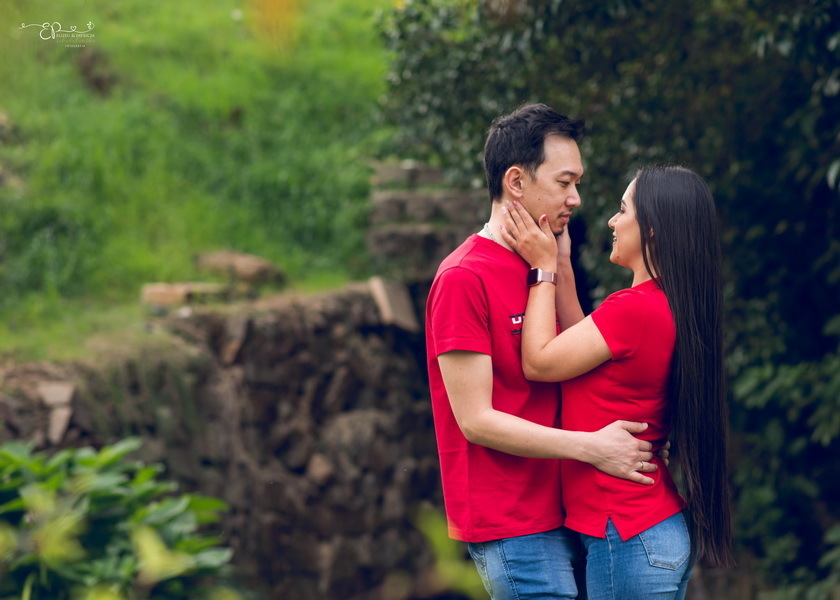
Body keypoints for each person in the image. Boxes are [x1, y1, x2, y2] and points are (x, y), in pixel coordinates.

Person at [425, 103, 664, 600]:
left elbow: (586, 368)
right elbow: (475, 420)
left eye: (577, 183)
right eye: (564, 182)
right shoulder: (463, 277)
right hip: (512, 520)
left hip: (575, 508)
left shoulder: (544, 264)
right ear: (516, 182)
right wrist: (592, 446)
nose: (576, 198)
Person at [499, 164, 735, 599]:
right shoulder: (660, 304)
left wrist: (542, 269)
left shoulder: (634, 310)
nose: (611, 221)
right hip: (648, 531)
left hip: (626, 533)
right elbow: (579, 349)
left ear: (651, 229)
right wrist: (562, 261)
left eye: (623, 210)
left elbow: (540, 362)